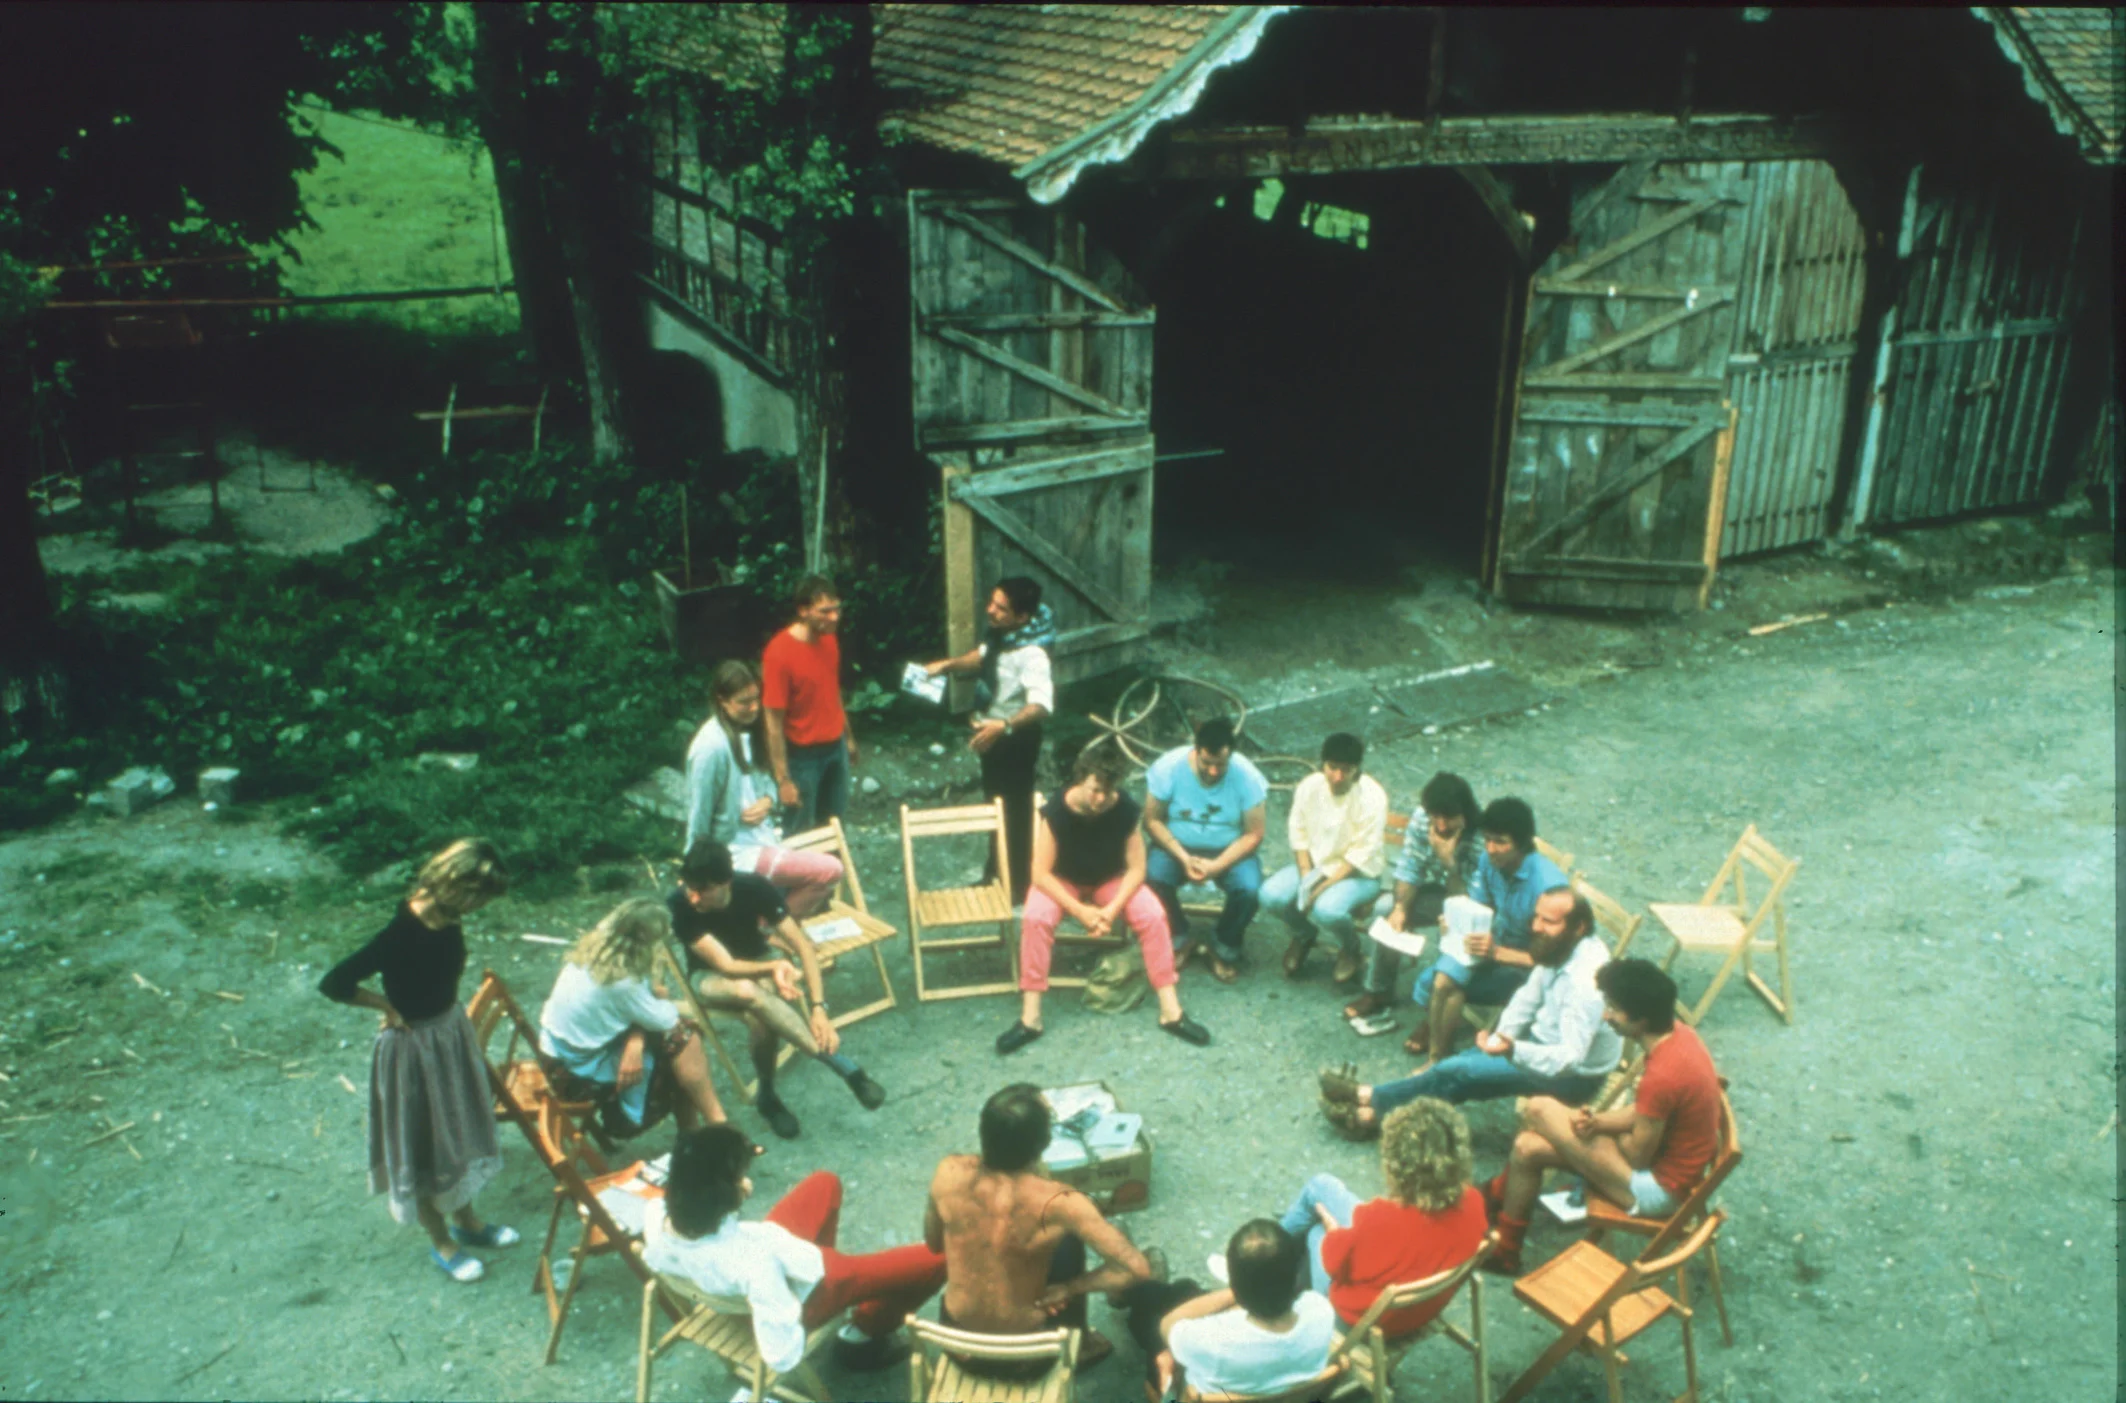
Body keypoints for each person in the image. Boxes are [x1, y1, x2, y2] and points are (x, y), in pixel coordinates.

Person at [318, 837, 518, 1283]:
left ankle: (467, 1222)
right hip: (413, 1049)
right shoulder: (402, 931)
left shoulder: (449, 916)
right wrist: (386, 1009)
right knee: (423, 1144)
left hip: (448, 1033)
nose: (479, 906)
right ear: (456, 884)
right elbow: (335, 982)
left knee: (456, 1134)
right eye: (478, 896)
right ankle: (442, 1242)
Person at [644, 1124, 948, 1375]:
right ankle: (863, 1334)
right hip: (811, 1285)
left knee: (824, 1184)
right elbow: (781, 1354)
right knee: (939, 1259)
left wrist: (732, 1199)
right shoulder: (755, 1266)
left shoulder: (656, 1220)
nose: (745, 1181)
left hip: (767, 1251)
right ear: (722, 1194)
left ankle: (848, 1290)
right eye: (739, 1178)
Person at [1484, 959, 1724, 1275]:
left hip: (1656, 1191)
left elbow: (1637, 1155)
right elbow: (1645, 1111)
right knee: (1528, 1147)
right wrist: (1599, 1123)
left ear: (1640, 1020)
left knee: (1538, 1109)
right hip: (1672, 1171)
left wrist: (1595, 1137)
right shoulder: (1680, 1035)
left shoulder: (1663, 1076)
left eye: (1614, 1009)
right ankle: (1507, 1248)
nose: (1606, 1015)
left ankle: (1494, 1202)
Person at [1320, 887, 1622, 1137]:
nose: (1536, 927)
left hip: (1571, 1076)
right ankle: (1378, 1112)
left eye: (1548, 922)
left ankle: (1370, 1100)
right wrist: (1501, 1037)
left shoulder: (1586, 984)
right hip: (1542, 1042)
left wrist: (1514, 1048)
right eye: (1537, 918)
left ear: (1578, 927)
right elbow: (1527, 997)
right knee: (1461, 1067)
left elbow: (1569, 1058)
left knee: (1459, 1071)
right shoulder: (1561, 947)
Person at [925, 1084, 1153, 1373]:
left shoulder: (949, 1172)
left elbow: (934, 1243)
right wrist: (1069, 1288)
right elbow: (1137, 1269)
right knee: (1067, 1240)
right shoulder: (1062, 1202)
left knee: (1026, 1242)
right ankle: (1081, 1345)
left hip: (959, 1348)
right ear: (1044, 1142)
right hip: (1027, 1360)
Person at [996, 746, 1211, 1054]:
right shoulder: (1057, 810)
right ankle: (1031, 1018)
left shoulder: (1125, 810)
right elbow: (1040, 873)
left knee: (1152, 914)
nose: (1100, 799)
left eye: (1107, 792)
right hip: (1063, 880)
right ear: (1081, 780)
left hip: (1109, 879)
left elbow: (1137, 868)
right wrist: (1080, 911)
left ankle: (1171, 1012)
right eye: (1095, 790)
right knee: (1035, 918)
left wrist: (1110, 910)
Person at [669, 840, 886, 1140]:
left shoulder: (755, 888)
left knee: (761, 1018)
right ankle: (843, 1067)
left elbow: (803, 948)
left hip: (757, 961)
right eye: (690, 888)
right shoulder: (680, 903)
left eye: (701, 890)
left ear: (724, 883)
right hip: (709, 976)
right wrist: (773, 968)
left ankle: (767, 1096)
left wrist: (819, 1009)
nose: (693, 897)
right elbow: (728, 966)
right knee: (748, 991)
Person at [1272, 1099, 1488, 1341]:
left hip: (1360, 1322)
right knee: (1322, 1190)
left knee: (1315, 1230)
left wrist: (1333, 1234)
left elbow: (1334, 1264)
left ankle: (1265, 1256)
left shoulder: (1379, 1218)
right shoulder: (1474, 1201)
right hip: (1417, 1311)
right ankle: (1285, 1236)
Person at [534, 897, 727, 1139]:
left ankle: (699, 1130)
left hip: (558, 1049)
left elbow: (642, 1007)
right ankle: (712, 1126)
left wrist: (635, 1040)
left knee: (680, 1049)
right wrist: (643, 1027)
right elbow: (666, 1018)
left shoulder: (597, 952)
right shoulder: (622, 982)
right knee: (684, 1039)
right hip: (574, 1074)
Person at [1402, 797, 1566, 1068]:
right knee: (1441, 980)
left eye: (1500, 841)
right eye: (1488, 839)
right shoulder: (1490, 862)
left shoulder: (1547, 887)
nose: (1491, 849)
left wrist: (1497, 952)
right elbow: (1477, 905)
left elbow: (1554, 960)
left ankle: (1438, 1058)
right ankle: (1438, 1053)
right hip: (1492, 947)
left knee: (1447, 983)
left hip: (1525, 970)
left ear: (1523, 843)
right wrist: (1454, 921)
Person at [923, 577, 1055, 903]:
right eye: (992, 602)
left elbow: (1041, 705)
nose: (990, 611)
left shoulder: (1033, 653)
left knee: (1016, 810)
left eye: (1000, 608)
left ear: (1022, 617)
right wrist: (948, 666)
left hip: (1016, 739)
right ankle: (995, 872)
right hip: (992, 733)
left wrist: (1004, 726)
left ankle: (1020, 885)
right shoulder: (1001, 636)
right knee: (993, 805)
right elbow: (982, 655)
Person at [684, 659, 843, 918]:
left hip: (764, 837)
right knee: (830, 870)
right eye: (744, 702)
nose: (754, 708)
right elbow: (698, 814)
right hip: (736, 851)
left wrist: (769, 800)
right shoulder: (710, 748)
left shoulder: (749, 733)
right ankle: (770, 932)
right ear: (722, 700)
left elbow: (769, 784)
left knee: (823, 873)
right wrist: (692, 874)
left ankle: (768, 929)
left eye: (756, 699)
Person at [1116, 1220, 1334, 1402]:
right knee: (1186, 1289)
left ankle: (1130, 1288)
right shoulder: (1320, 1311)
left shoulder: (1213, 1341)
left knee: (1151, 1318)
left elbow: (1167, 1325)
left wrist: (1236, 1291)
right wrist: (1245, 1290)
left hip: (1184, 1391)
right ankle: (1140, 1287)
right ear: (1295, 1275)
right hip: (1278, 1390)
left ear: (1234, 1284)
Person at [1344, 771, 1483, 1043]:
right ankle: (1379, 990)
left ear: (1465, 813)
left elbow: (1468, 903)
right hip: (1439, 892)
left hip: (1472, 901)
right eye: (1436, 817)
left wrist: (1448, 861)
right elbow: (1410, 867)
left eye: (1449, 818)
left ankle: (1435, 1015)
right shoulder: (1423, 818)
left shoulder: (1481, 838)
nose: (1441, 826)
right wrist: (1401, 909)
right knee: (1386, 909)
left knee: (1455, 933)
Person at [1144, 718, 1268, 980]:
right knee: (1152, 876)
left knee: (1250, 888)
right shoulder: (1169, 768)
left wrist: (1217, 866)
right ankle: (1177, 935)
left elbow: (1254, 833)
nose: (1213, 771)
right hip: (1177, 845)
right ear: (1196, 751)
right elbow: (1152, 820)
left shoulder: (1248, 777)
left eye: (1220, 764)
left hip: (1228, 848)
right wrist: (1182, 856)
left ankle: (1224, 944)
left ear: (1230, 756)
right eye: (1206, 763)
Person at [1262, 733, 1389, 987]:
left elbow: (1361, 853)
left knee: (1327, 909)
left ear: (1357, 770)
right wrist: (1307, 875)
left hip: (1358, 874)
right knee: (1270, 896)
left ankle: (1350, 947)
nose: (1338, 777)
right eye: (1332, 768)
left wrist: (1321, 888)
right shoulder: (1310, 786)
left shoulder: (1372, 796)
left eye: (1347, 770)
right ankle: (1303, 934)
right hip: (1318, 865)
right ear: (1323, 765)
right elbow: (1298, 831)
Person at [762, 575, 859, 834]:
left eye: (837, 609)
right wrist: (783, 779)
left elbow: (832, 690)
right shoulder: (779, 654)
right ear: (803, 611)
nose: (834, 617)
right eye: (825, 611)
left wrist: (848, 737)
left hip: (835, 746)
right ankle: (794, 875)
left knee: (834, 825)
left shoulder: (829, 640)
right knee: (800, 830)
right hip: (803, 757)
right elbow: (772, 722)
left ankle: (832, 873)